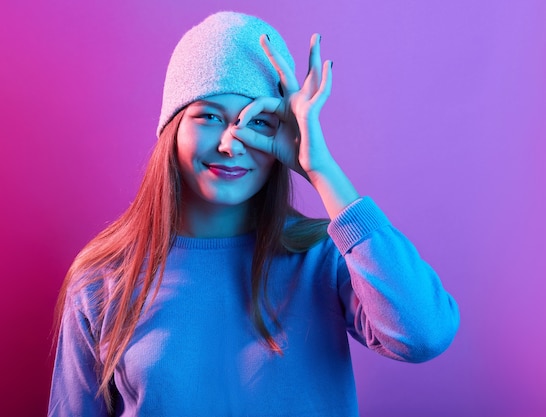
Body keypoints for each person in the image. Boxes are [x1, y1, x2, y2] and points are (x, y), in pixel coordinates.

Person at [48, 11, 460, 417]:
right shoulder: (104, 279)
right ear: (172, 129)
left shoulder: (325, 258)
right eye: (209, 116)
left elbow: (424, 334)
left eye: (258, 122)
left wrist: (321, 169)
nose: (232, 143)